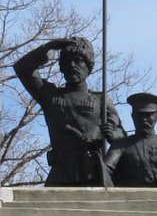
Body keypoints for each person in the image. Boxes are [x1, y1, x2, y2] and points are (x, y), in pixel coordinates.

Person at [14, 36, 125, 185]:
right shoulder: (50, 95)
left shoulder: (101, 100)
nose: (72, 65)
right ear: (61, 67)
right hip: (61, 172)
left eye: (78, 60)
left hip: (94, 173)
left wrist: (112, 135)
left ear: (88, 66)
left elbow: (122, 138)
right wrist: (48, 47)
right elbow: (22, 68)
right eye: (67, 61)